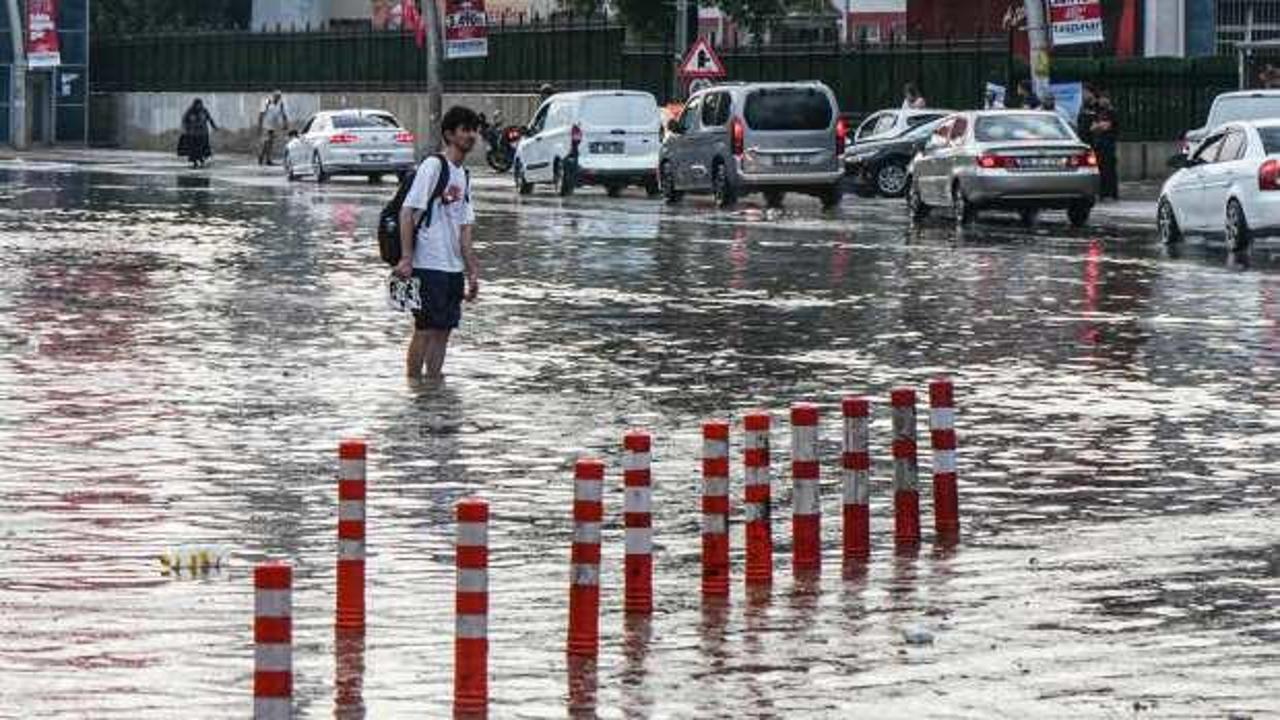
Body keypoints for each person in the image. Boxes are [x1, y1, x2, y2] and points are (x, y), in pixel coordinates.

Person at [393, 106, 482, 380]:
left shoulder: (464, 176)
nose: (471, 136)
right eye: (465, 130)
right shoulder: (434, 166)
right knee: (425, 328)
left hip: (452, 269)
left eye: (473, 130)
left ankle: (433, 390)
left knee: (444, 330)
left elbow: (464, 229)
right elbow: (407, 212)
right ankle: (413, 388)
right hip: (427, 264)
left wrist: (472, 272)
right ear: (449, 134)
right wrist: (407, 257)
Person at [1092, 91, 1119, 201]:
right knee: (1100, 169)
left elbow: (1106, 127)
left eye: (1104, 98)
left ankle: (1112, 193)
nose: (1102, 101)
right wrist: (1099, 126)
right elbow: (1092, 128)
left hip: (1108, 144)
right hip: (1099, 144)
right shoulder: (1098, 112)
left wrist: (1099, 126)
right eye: (1101, 98)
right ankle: (1102, 193)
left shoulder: (1112, 112)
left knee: (1109, 169)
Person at [177, 99, 218, 168]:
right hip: (193, 134)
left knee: (203, 148)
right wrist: (185, 129)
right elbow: (184, 121)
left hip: (203, 133)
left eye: (200, 104)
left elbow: (210, 119)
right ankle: (195, 161)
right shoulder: (190, 111)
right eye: (197, 104)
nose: (199, 106)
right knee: (194, 149)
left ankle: (202, 159)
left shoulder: (204, 111)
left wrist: (214, 127)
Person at [258, 90, 290, 166]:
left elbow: (284, 114)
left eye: (279, 97)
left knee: (271, 143)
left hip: (274, 125)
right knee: (266, 141)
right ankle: (261, 156)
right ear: (273, 96)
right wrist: (260, 125)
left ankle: (268, 159)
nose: (277, 98)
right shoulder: (267, 101)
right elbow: (261, 113)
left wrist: (285, 124)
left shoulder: (281, 104)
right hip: (266, 124)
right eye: (276, 96)